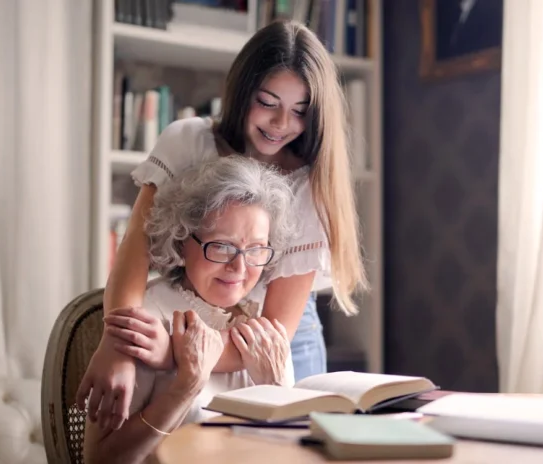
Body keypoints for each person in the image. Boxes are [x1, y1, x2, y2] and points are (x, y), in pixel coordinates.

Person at [77, 19, 368, 431]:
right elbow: (134, 255)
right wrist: (116, 344)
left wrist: (170, 354)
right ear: (242, 91)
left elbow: (276, 330)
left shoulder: (309, 185)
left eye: (300, 111)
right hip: (188, 315)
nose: (281, 123)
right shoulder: (188, 141)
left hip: (277, 338)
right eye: (267, 102)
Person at [83, 156, 295, 463]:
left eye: (255, 249)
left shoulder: (265, 329)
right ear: (182, 241)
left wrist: (276, 389)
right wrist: (184, 389)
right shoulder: (146, 319)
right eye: (222, 246)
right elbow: (100, 459)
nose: (239, 267)